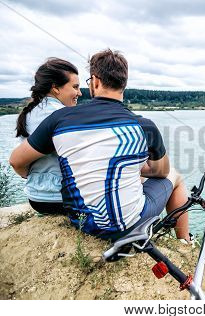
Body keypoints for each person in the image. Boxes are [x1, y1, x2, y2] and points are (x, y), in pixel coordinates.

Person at [9, 49, 190, 241]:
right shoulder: (144, 125)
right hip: (125, 226)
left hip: (80, 220)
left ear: (95, 81)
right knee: (174, 175)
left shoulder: (60, 118)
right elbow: (161, 172)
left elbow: (16, 160)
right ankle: (184, 242)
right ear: (124, 83)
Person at [15, 58, 82, 215]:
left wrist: (34, 176)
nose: (79, 92)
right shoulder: (63, 115)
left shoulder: (30, 112)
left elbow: (21, 164)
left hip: (35, 198)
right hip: (60, 199)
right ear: (55, 88)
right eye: (75, 87)